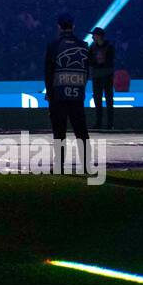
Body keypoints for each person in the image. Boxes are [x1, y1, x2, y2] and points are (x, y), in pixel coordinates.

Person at [44, 14, 89, 171]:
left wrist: (49, 93)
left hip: (58, 95)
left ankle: (59, 165)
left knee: (59, 132)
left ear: (59, 27)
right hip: (77, 93)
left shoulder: (54, 45)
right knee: (81, 130)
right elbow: (86, 71)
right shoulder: (83, 45)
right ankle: (86, 164)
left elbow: (48, 73)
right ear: (73, 26)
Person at [88, 27, 116, 130]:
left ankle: (110, 123)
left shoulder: (109, 47)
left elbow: (109, 61)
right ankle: (99, 122)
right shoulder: (92, 48)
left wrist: (98, 64)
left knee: (109, 100)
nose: (92, 37)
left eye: (94, 35)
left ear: (98, 36)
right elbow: (90, 61)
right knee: (97, 100)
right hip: (97, 76)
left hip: (107, 76)